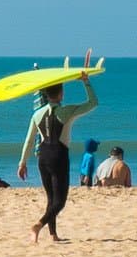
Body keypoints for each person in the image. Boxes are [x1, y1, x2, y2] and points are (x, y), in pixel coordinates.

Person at [17, 72, 98, 243]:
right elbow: (93, 103)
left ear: (46, 94)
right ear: (61, 94)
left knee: (51, 198)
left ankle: (53, 235)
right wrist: (86, 82)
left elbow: (29, 140)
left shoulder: (36, 114)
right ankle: (38, 225)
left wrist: (22, 162)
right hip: (59, 157)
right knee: (60, 202)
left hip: (43, 158)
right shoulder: (67, 111)